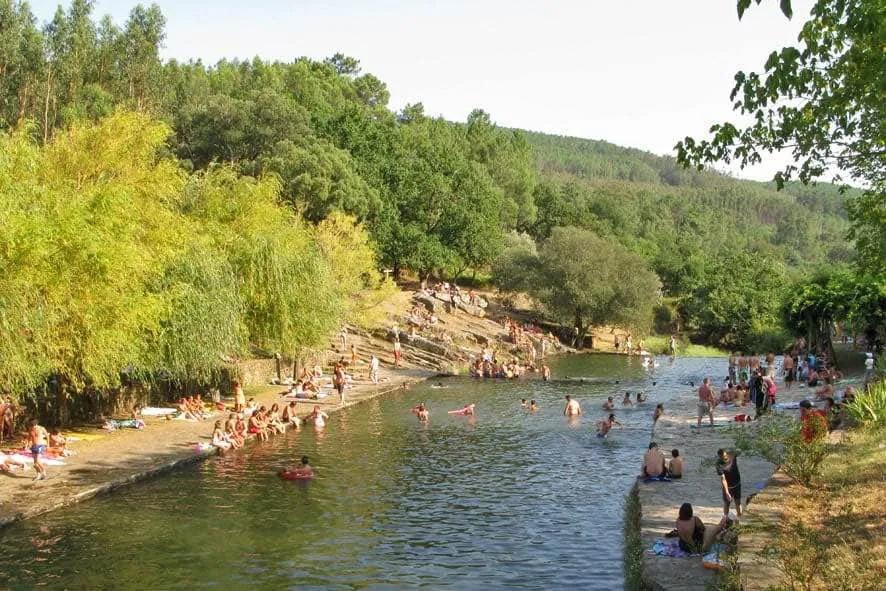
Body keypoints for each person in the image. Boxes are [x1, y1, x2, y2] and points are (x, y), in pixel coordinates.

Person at [716, 449, 742, 517]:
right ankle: (726, 519)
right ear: (719, 457)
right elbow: (723, 479)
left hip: (737, 484)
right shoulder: (719, 464)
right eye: (722, 457)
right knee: (727, 504)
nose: (724, 458)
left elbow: (740, 450)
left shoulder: (732, 455)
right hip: (728, 487)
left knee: (738, 503)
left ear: (727, 454)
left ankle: (739, 517)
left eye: (725, 456)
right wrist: (727, 492)